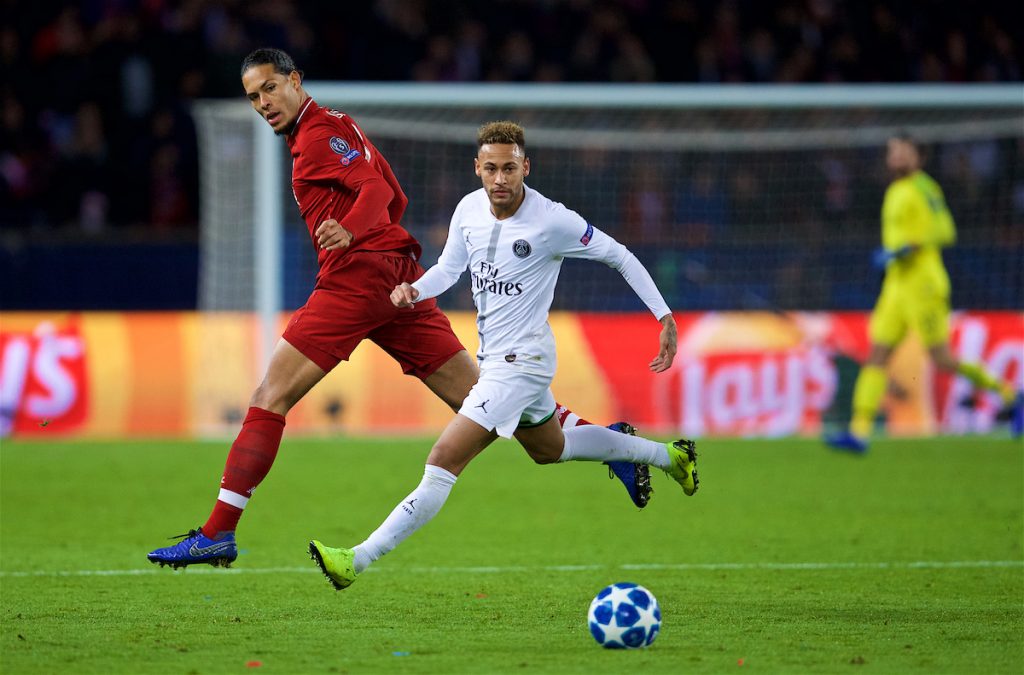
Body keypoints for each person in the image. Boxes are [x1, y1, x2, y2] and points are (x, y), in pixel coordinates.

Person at [147, 50, 650, 570]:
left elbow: (374, 191)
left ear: (295, 81)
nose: (263, 103)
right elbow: (394, 194)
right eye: (254, 96)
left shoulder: (320, 134)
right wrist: (375, 239)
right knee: (490, 403)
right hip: (395, 278)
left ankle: (217, 534)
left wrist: (351, 232)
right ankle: (612, 446)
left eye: (271, 88)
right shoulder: (336, 127)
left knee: (270, 397)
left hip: (356, 279)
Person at [308, 121, 699, 591]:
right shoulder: (468, 210)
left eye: (509, 168)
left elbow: (620, 256)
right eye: (490, 168)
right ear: (477, 168)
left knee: (443, 459)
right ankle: (670, 456)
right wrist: (415, 289)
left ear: (525, 167)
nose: (499, 179)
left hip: (525, 364)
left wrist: (664, 316)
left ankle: (357, 559)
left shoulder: (553, 220)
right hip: (494, 360)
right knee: (550, 449)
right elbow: (449, 269)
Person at [826, 133, 1022, 453]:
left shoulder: (925, 188)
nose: (896, 158)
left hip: (923, 284)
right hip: (895, 286)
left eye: (903, 152)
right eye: (892, 152)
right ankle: (858, 432)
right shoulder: (894, 191)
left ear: (919, 158)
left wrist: (909, 246)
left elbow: (946, 230)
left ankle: (1010, 394)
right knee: (878, 354)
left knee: (942, 359)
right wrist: (893, 253)